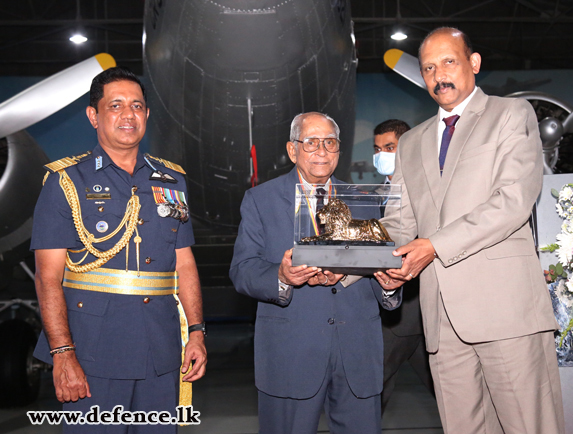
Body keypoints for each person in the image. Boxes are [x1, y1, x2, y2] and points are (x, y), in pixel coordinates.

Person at [378, 28, 565, 434]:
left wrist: (434, 246)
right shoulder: (411, 142)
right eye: (428, 67)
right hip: (441, 321)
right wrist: (373, 254)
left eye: (448, 62)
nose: (438, 75)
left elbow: (512, 201)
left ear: (473, 63)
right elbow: (400, 220)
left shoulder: (511, 114)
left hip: (507, 313)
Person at [31, 66, 207, 433]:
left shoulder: (171, 179)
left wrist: (197, 332)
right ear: (94, 116)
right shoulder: (65, 181)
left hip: (160, 352)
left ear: (146, 115)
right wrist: (62, 354)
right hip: (93, 353)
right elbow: (48, 279)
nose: (129, 115)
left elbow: (184, 263)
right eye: (116, 105)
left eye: (137, 106)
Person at [230, 112, 402, 434]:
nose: (321, 151)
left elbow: (382, 268)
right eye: (311, 142)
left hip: (358, 352)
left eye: (330, 143)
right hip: (290, 353)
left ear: (339, 150)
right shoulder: (260, 200)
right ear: (293, 150)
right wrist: (281, 276)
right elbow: (242, 270)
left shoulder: (365, 203)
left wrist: (390, 288)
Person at [372, 119, 434, 413]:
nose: (382, 155)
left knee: (455, 398)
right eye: (377, 148)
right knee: (373, 397)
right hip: (386, 314)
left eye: (389, 147)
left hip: (421, 312)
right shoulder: (369, 195)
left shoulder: (428, 189)